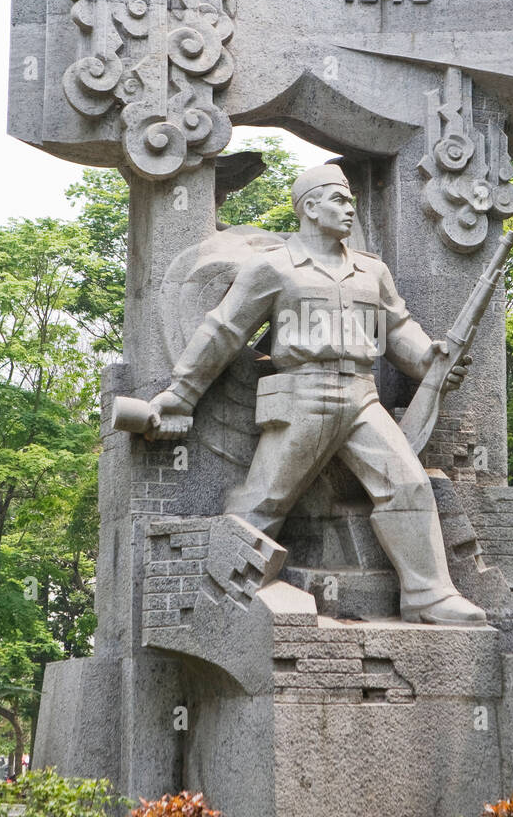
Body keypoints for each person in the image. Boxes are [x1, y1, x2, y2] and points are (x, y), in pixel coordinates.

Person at [149, 162, 485, 625]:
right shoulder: (272, 266)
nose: (350, 208)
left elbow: (399, 329)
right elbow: (224, 330)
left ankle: (428, 596)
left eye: (350, 199)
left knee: (407, 483)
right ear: (310, 206)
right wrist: (182, 394)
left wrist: (430, 359)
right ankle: (221, 593)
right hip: (302, 393)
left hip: (362, 396)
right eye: (339, 200)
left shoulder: (372, 271)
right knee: (266, 499)